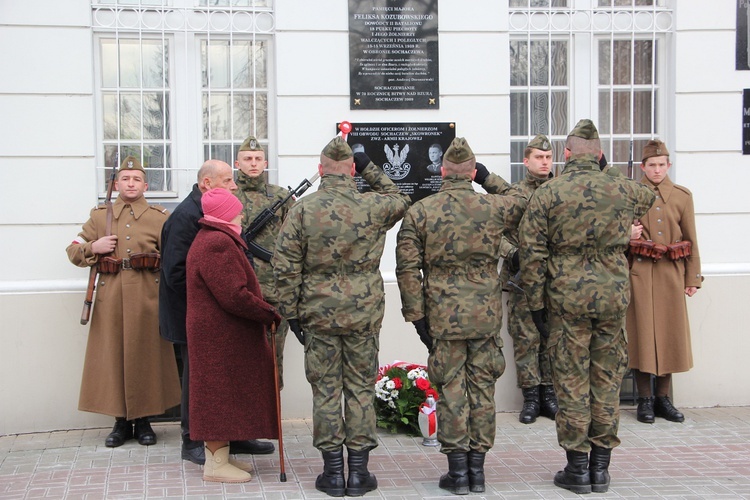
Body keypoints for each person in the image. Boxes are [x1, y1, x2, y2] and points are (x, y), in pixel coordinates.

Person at [519, 119, 655, 494]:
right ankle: (601, 469)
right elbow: (648, 197)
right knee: (607, 381)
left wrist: (535, 305)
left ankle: (577, 469)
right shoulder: (622, 189)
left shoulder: (549, 193)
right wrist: (605, 168)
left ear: (564, 154)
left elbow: (532, 253)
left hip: (566, 300)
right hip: (612, 298)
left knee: (572, 382)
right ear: (598, 154)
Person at [273, 136, 410, 497]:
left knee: (327, 391)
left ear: (320, 171)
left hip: (317, 314)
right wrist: (369, 167)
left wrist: (293, 316)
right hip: (363, 313)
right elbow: (401, 198)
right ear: (351, 170)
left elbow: (284, 268)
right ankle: (360, 474)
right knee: (361, 389)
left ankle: (333, 474)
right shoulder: (373, 206)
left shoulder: (302, 209)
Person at [396, 137, 526, 495]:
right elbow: (526, 202)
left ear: (441, 171)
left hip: (442, 314)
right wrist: (488, 179)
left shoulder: (421, 211)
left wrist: (416, 315)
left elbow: (408, 268)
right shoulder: (494, 206)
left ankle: (458, 473)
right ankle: (478, 472)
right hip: (484, 315)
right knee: (482, 389)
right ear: (470, 171)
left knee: (452, 390)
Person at [159, 159, 275, 466]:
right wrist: (210, 306)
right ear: (207, 183)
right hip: (195, 316)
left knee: (226, 378)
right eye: (227, 179)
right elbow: (175, 273)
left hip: (218, 317)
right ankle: (193, 440)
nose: (234, 184)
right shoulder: (186, 217)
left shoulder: (213, 212)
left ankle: (234, 435)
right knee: (198, 381)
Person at [66, 155, 181, 448]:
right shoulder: (99, 216)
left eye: (136, 179)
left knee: (146, 358)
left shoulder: (160, 217)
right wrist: (95, 246)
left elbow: (174, 256)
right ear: (116, 184)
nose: (131, 184)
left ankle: (143, 421)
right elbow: (73, 251)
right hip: (111, 296)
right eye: (125, 179)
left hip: (147, 297)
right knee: (113, 357)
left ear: (145, 184)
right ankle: (119, 421)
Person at [186, 188, 282, 483]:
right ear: (225, 213)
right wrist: (268, 313)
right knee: (218, 395)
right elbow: (234, 296)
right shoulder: (217, 243)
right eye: (237, 210)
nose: (242, 215)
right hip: (219, 335)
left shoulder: (216, 238)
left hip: (222, 333)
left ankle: (222, 456)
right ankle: (214, 465)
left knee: (225, 395)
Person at [626, 140, 702, 424]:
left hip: (672, 273)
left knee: (669, 336)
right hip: (641, 274)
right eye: (651, 165)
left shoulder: (682, 196)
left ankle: (663, 399)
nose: (657, 170)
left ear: (668, 166)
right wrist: (628, 234)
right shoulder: (632, 195)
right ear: (643, 167)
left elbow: (692, 238)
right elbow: (617, 234)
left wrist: (692, 277)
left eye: (661, 165)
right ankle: (644, 400)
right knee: (642, 336)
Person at [494, 134, 558, 424]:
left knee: (553, 337)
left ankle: (550, 395)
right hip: (522, 282)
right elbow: (494, 233)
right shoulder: (514, 193)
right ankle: (531, 398)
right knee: (525, 338)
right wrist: (512, 254)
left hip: (556, 279)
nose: (544, 162)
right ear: (526, 161)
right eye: (539, 158)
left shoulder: (562, 191)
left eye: (548, 157)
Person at [234, 135, 294, 389]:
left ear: (266, 163)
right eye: (247, 159)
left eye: (258, 159)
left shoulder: (280, 197)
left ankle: (272, 414)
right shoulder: (227, 195)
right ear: (237, 164)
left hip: (275, 290)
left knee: (273, 356)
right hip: (239, 290)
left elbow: (295, 240)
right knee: (239, 357)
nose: (253, 164)